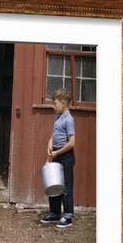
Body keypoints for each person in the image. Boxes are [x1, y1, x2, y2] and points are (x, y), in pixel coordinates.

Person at [41, 88, 76, 228]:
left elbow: (72, 143)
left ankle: (68, 216)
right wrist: (49, 146)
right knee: (54, 184)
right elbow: (53, 135)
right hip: (56, 153)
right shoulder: (57, 117)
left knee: (66, 186)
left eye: (55, 103)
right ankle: (55, 214)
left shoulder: (69, 119)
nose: (53, 106)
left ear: (63, 103)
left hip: (65, 156)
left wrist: (58, 152)